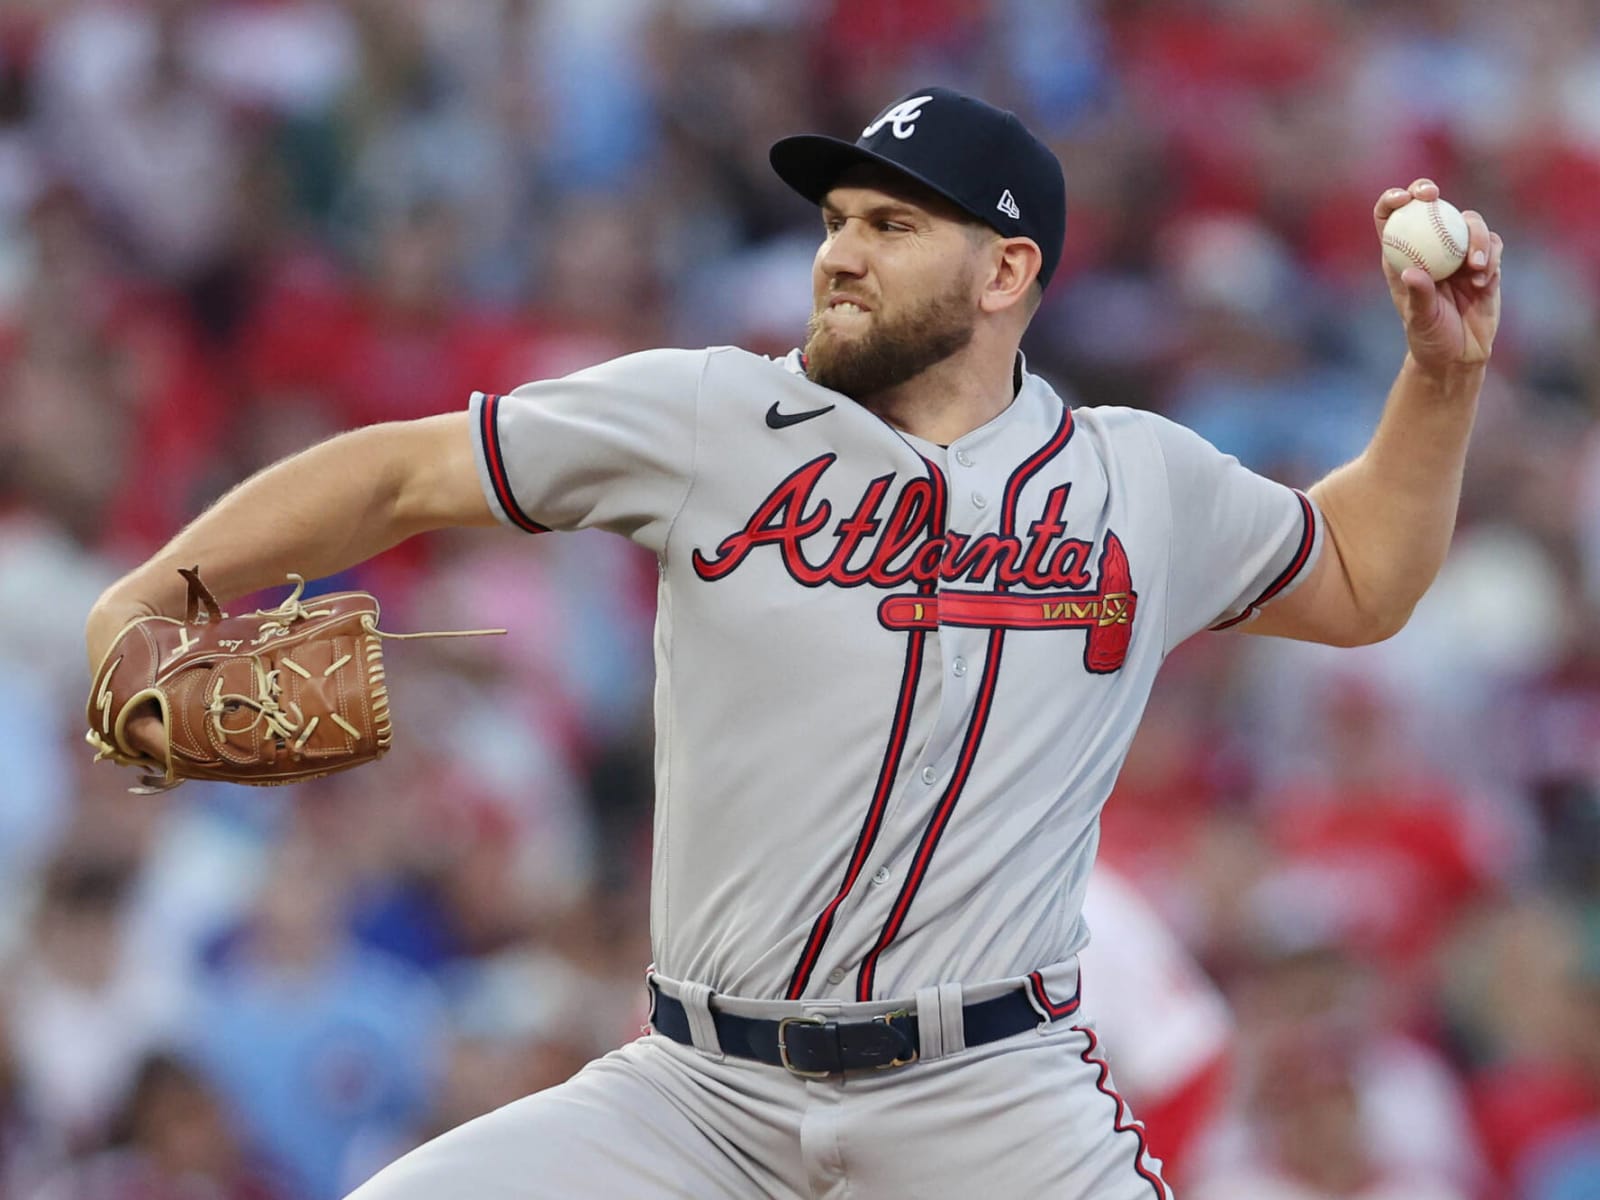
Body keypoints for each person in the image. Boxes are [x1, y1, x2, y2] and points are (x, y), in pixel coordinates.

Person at [85, 86, 1503, 1199]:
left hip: (985, 1101)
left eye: (891, 224)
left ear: (1007, 268)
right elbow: (401, 474)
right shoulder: (713, 415)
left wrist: (1440, 379)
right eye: (838, 217)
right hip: (697, 1092)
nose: (839, 251)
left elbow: (1363, 577)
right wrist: (153, 590)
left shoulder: (1146, 482)